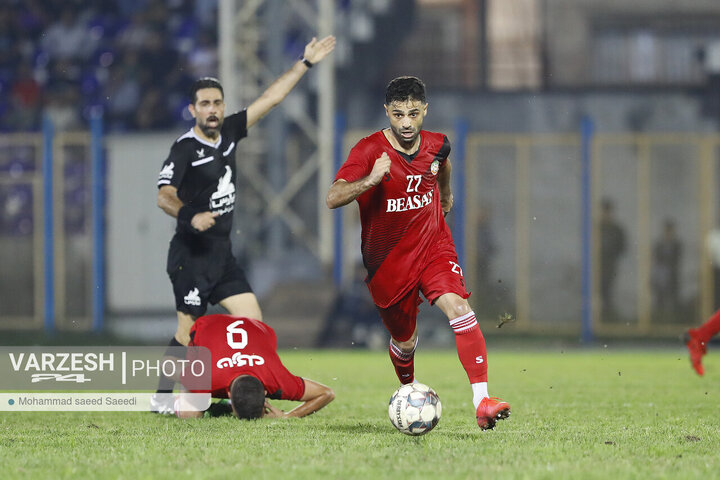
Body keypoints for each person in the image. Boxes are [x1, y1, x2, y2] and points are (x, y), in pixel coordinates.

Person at [154, 35, 336, 413]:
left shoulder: (232, 132)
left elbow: (271, 99)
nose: (212, 109)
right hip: (190, 255)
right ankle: (160, 398)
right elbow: (164, 196)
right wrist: (191, 215)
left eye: (217, 102)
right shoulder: (184, 149)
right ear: (192, 110)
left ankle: (250, 395)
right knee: (187, 332)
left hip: (222, 256)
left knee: (253, 325)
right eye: (204, 104)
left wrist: (305, 63)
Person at [325, 76, 510, 430]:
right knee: (404, 341)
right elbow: (333, 197)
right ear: (387, 112)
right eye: (398, 115)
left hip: (432, 245)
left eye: (413, 113)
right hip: (387, 264)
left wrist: (446, 194)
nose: (406, 123)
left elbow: (443, 165)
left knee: (458, 306)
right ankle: (408, 387)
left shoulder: (438, 144)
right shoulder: (367, 151)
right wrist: (369, 181)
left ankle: (482, 401)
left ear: (425, 109)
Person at [175, 314, 334, 419]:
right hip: (207, 326)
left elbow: (327, 394)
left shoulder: (276, 377)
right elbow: (327, 393)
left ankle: (230, 407)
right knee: (190, 414)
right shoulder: (205, 379)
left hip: (255, 328)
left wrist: (290, 416)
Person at [599, 198, 626, 319]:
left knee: (608, 291)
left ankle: (607, 316)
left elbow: (622, 247)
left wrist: (612, 255)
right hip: (597, 265)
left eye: (608, 211)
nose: (606, 214)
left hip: (610, 265)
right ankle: (600, 316)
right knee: (598, 290)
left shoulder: (617, 229)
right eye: (604, 211)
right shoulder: (597, 228)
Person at [650, 218, 682, 314]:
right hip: (661, 275)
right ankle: (659, 316)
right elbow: (656, 259)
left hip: (672, 274)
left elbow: (677, 259)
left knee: (672, 297)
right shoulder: (659, 244)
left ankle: (673, 317)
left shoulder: (676, 244)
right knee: (660, 298)